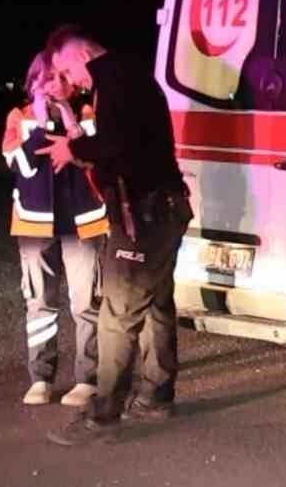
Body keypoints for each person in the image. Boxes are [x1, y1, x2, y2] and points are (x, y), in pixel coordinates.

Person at [37, 29, 192, 445]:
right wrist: (79, 139)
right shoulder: (124, 77)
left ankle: (103, 417)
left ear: (82, 55)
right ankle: (156, 396)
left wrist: (75, 151)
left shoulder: (117, 80)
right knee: (156, 305)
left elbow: (117, 144)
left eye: (66, 70)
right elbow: (122, 142)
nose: (71, 81)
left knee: (117, 316)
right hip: (162, 210)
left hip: (143, 215)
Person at [2, 51, 109, 407]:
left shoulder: (88, 113)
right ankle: (41, 377)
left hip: (85, 221)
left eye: (62, 77)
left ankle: (88, 378)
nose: (56, 85)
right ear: (32, 82)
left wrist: (69, 120)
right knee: (40, 302)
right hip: (34, 222)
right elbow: (21, 166)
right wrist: (41, 123)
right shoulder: (19, 117)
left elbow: (97, 159)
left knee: (87, 301)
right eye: (46, 78)